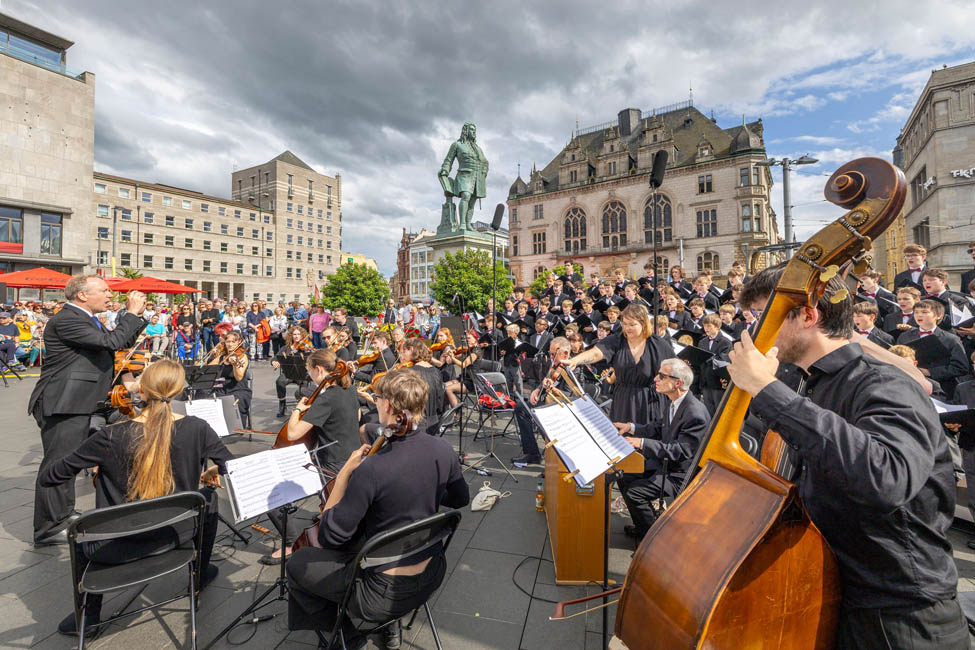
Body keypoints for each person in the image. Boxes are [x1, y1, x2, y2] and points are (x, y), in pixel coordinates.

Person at [727, 263, 967, 649]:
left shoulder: (883, 383)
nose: (753, 331)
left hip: (898, 619)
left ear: (807, 315)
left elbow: (885, 478)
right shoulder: (816, 384)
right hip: (841, 597)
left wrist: (765, 388)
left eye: (761, 316)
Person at [39, 359, 232, 636]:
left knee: (82, 532)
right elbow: (233, 467)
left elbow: (51, 477)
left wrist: (80, 449)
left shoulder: (110, 435)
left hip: (113, 547)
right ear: (177, 393)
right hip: (177, 536)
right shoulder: (198, 427)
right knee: (208, 499)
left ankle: (90, 615)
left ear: (141, 391)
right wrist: (211, 468)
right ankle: (199, 574)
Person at [286, 369, 470, 650]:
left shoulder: (371, 469)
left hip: (380, 592)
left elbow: (329, 537)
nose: (374, 402)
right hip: (431, 571)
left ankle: (347, 635)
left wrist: (346, 473)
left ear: (387, 406)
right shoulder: (443, 449)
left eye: (377, 398)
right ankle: (388, 627)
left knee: (298, 563)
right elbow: (459, 499)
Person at [28, 276, 147, 545]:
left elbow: (119, 341)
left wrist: (136, 317)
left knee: (68, 462)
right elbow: (111, 343)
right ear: (82, 295)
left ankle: (63, 514)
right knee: (57, 464)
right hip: (63, 403)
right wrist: (129, 313)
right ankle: (47, 529)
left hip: (77, 402)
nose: (110, 294)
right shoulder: (68, 318)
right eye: (104, 290)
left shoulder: (86, 318)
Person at [264, 348, 361, 565]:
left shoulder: (326, 398)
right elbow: (357, 416)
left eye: (309, 371)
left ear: (318, 369)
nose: (309, 376)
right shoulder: (349, 390)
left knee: (273, 497)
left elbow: (293, 433)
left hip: (332, 462)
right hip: (352, 455)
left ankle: (290, 543)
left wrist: (297, 411)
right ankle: (324, 513)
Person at [613, 357, 708, 539]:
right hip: (664, 465)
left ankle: (654, 539)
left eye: (662, 376)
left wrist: (641, 443)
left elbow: (680, 451)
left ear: (677, 383)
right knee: (623, 475)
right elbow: (658, 427)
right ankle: (642, 527)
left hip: (678, 474)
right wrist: (631, 427)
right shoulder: (675, 402)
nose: (655, 379)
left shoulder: (695, 413)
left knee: (635, 493)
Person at [566, 303, 671, 425]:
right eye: (624, 324)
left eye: (632, 324)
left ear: (643, 324)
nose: (627, 328)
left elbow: (674, 371)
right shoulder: (617, 339)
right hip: (623, 402)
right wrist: (575, 360)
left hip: (649, 403)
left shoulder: (658, 345)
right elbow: (596, 353)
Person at [512, 336, 574, 466]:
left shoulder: (573, 369)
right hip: (546, 403)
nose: (551, 357)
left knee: (539, 416)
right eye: (550, 353)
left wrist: (553, 390)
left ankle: (557, 459)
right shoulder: (555, 366)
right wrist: (537, 389)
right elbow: (546, 381)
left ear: (565, 354)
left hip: (561, 408)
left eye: (553, 354)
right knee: (521, 408)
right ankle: (531, 453)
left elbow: (569, 395)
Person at [895, 299, 969, 400]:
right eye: (916, 312)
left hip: (942, 389)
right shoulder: (904, 337)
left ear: (938, 316)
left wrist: (930, 372)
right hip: (911, 387)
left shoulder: (951, 339)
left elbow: (961, 367)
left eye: (924, 312)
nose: (919, 315)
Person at [209, 330, 251, 422]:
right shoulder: (221, 357)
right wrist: (210, 356)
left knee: (236, 401)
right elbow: (207, 370)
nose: (230, 344)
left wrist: (235, 365)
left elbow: (239, 377)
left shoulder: (242, 356)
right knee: (205, 396)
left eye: (233, 342)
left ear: (239, 342)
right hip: (221, 387)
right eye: (228, 341)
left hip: (238, 388)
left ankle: (236, 425)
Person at [272, 326, 312, 417]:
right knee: (280, 381)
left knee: (304, 383)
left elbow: (313, 357)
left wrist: (308, 352)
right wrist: (274, 361)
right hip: (288, 373)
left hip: (302, 373)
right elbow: (276, 357)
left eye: (298, 334)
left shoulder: (306, 346)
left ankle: (301, 404)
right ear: (291, 336)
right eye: (294, 334)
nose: (296, 336)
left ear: (302, 335)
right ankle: (282, 405)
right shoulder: (286, 348)